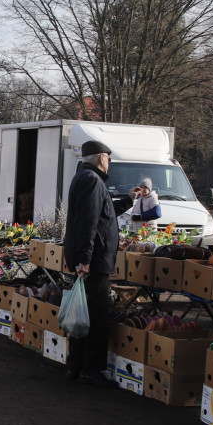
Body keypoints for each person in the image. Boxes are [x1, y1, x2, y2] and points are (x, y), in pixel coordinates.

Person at [62, 140, 139, 387]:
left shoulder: (86, 179)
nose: (110, 162)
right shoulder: (92, 181)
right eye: (108, 157)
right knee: (95, 317)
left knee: (84, 315)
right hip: (94, 261)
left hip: (92, 259)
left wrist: (129, 199)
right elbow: (88, 223)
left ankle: (76, 367)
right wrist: (85, 259)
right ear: (100, 158)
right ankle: (90, 370)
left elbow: (102, 213)